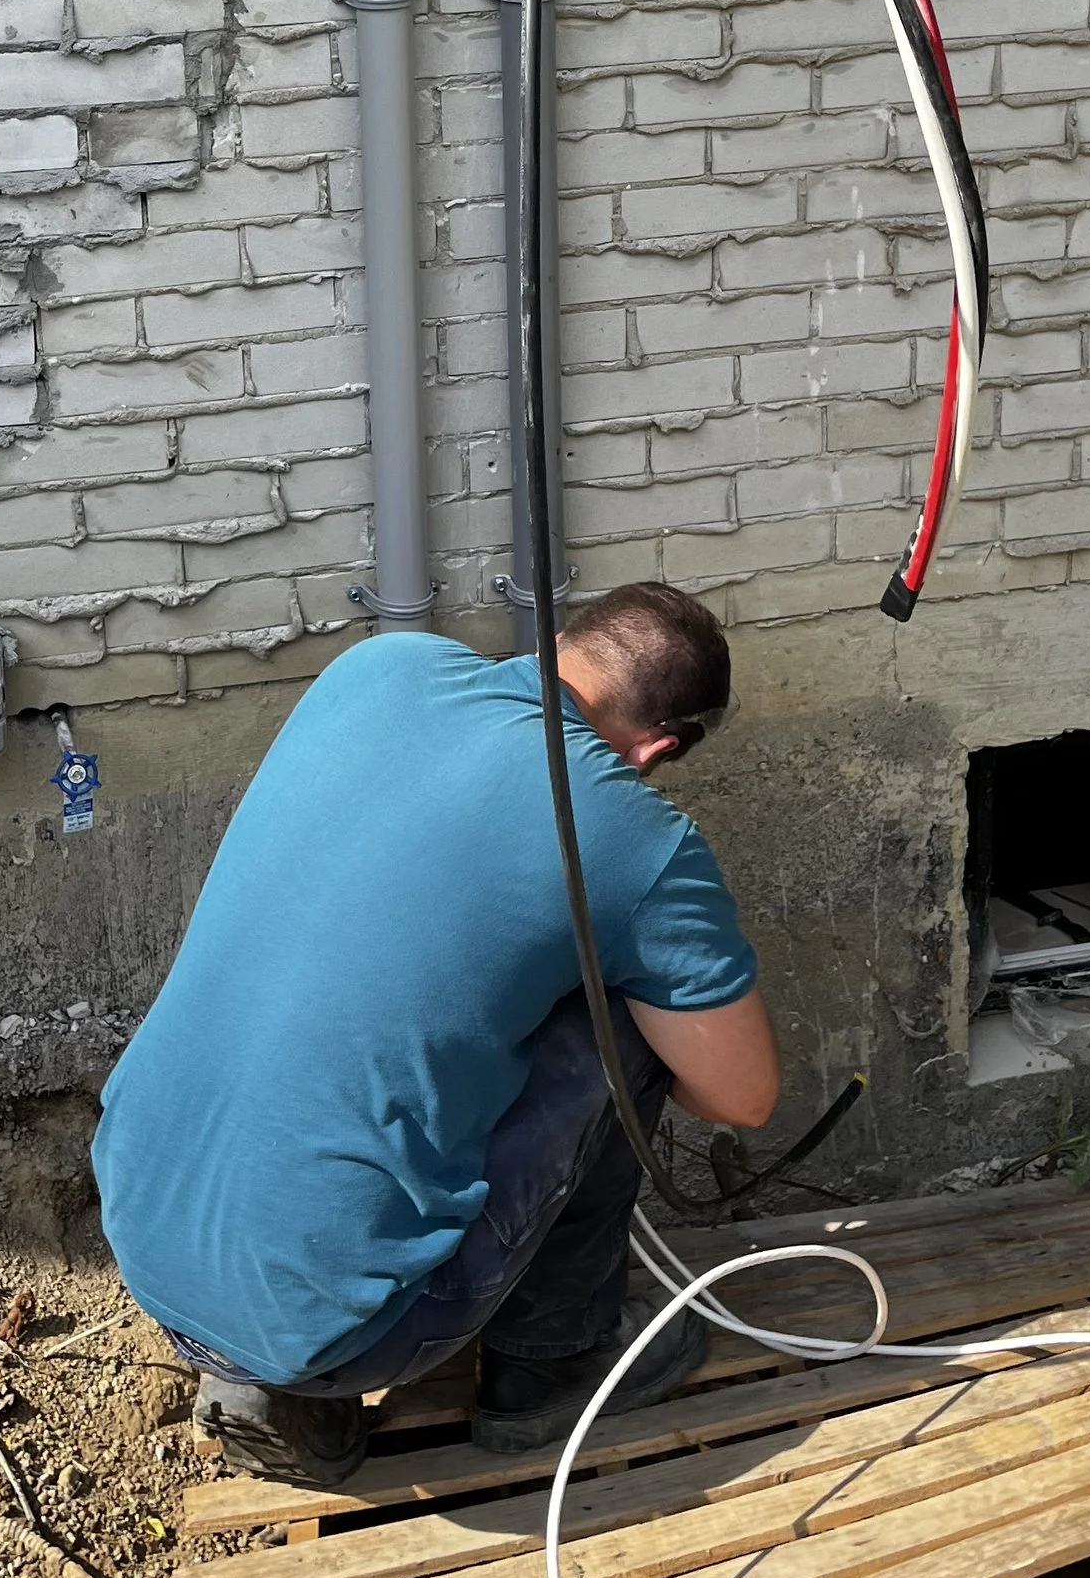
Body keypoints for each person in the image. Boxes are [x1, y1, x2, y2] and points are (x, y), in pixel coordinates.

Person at [90, 581, 779, 1486]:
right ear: (656, 748)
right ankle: (550, 1362)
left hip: (143, 1231)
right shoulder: (630, 834)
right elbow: (741, 1095)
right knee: (633, 1022)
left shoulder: (380, 666)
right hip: (343, 1332)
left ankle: (273, 1382)